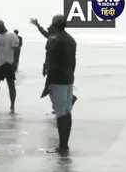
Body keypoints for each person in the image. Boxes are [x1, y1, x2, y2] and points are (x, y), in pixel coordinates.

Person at [41, 15, 76, 153]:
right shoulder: (71, 40)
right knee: (67, 112)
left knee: (61, 114)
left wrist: (46, 84)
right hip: (68, 80)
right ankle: (64, 144)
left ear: (53, 25)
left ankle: (62, 146)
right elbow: (73, 62)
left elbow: (52, 63)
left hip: (57, 80)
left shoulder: (53, 40)